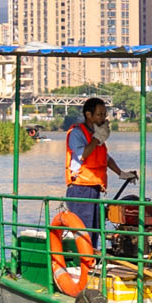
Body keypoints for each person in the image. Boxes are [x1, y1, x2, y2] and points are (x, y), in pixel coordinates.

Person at [60, 97, 119, 235]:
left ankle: (92, 256)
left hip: (94, 188)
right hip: (80, 188)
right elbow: (83, 155)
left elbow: (105, 158)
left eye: (104, 114)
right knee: (83, 231)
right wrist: (97, 138)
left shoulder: (96, 136)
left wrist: (121, 173)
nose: (102, 118)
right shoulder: (77, 133)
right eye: (99, 114)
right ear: (88, 115)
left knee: (94, 230)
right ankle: (83, 256)